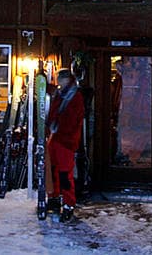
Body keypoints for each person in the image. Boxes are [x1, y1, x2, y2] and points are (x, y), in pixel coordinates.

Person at [46, 68, 84, 222]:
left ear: (67, 79)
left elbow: (73, 120)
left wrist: (58, 126)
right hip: (55, 138)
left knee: (64, 173)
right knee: (53, 169)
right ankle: (54, 197)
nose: (58, 82)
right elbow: (53, 113)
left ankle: (68, 203)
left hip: (66, 140)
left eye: (60, 79)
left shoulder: (75, 96)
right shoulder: (60, 94)